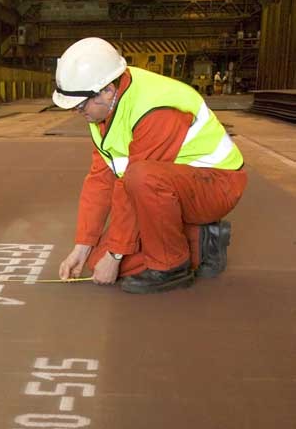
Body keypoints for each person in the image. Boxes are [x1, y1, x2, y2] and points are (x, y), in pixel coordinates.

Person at [53, 38, 247, 293]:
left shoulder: (155, 108)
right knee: (94, 261)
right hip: (168, 189)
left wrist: (116, 254)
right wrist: (82, 246)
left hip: (215, 186)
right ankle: (200, 239)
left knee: (140, 179)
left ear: (108, 90)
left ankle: (172, 266)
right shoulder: (103, 113)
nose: (77, 112)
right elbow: (101, 180)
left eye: (80, 104)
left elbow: (137, 180)